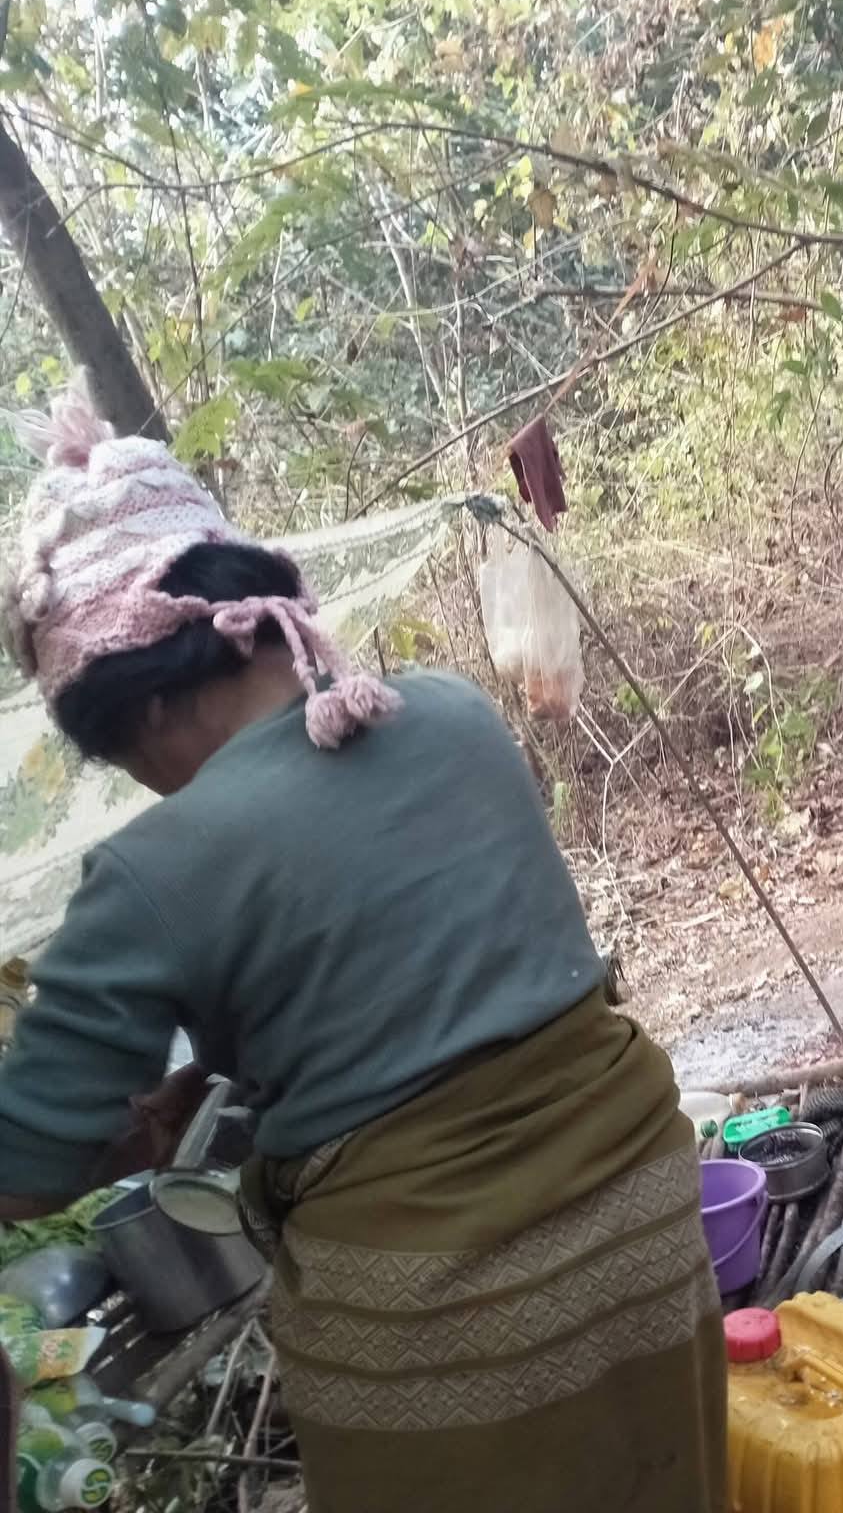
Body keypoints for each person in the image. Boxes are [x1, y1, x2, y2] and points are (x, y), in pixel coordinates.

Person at [0, 380, 723, 1513]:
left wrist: (118, 1145)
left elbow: (26, 1166)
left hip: (439, 1304)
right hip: (639, 1213)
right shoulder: (450, 711)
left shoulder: (153, 870)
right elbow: (444, 1004)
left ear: (141, 712)